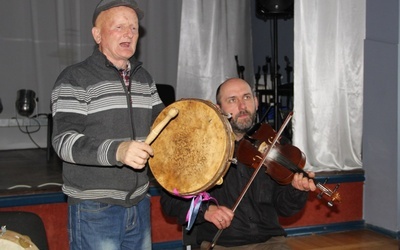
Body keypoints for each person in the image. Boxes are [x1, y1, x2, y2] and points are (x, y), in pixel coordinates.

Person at [51, 0, 164, 249]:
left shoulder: (144, 79)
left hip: (140, 202)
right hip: (95, 207)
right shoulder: (74, 78)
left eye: (134, 28)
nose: (128, 34)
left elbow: (165, 127)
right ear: (97, 34)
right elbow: (63, 141)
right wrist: (118, 151)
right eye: (119, 27)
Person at [160, 78, 316, 249]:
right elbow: (170, 202)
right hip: (222, 244)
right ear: (218, 109)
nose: (242, 106)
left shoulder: (274, 144)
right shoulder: (199, 149)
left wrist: (296, 190)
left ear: (256, 102)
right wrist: (206, 211)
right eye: (232, 100)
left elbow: (285, 208)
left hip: (270, 242)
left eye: (247, 97)